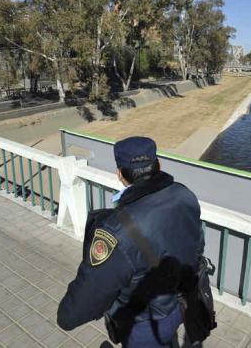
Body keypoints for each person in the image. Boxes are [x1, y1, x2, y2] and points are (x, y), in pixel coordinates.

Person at [57, 136, 204, 347]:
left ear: (120, 174)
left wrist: (66, 315)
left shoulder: (116, 229)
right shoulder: (184, 194)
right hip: (181, 304)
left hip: (144, 325)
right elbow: (196, 244)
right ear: (158, 164)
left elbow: (80, 305)